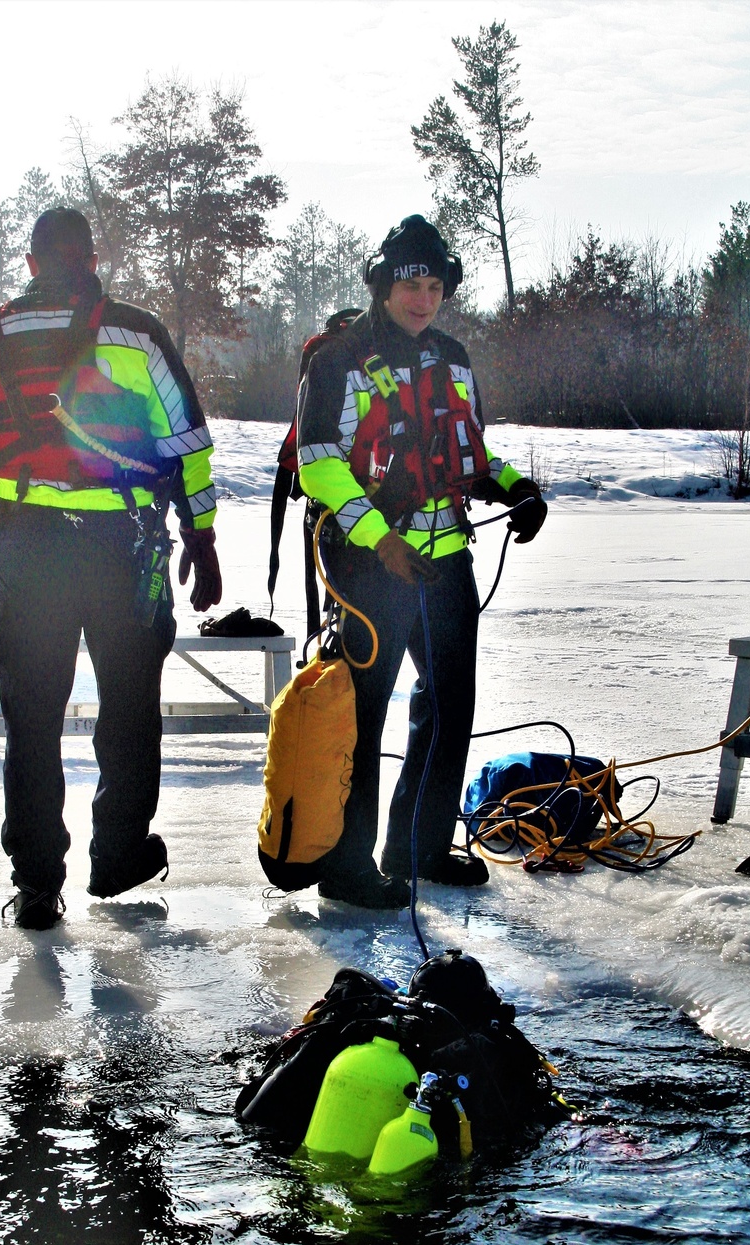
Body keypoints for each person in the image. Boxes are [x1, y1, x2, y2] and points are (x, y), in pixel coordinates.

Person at [0, 208, 222, 930]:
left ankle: (37, 884)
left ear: (31, 264)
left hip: (24, 544)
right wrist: (203, 536)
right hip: (121, 547)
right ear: (91, 259)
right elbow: (188, 443)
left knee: (31, 719)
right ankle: (119, 854)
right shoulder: (138, 332)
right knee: (128, 707)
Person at [296, 214, 546, 909]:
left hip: (444, 562)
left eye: (435, 284)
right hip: (369, 564)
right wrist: (379, 538)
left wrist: (514, 488)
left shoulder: (454, 357)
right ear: (382, 284)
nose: (423, 296)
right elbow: (319, 466)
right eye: (411, 281)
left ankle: (420, 849)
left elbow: (470, 450)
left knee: (448, 705)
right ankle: (346, 868)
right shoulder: (339, 360)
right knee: (362, 715)